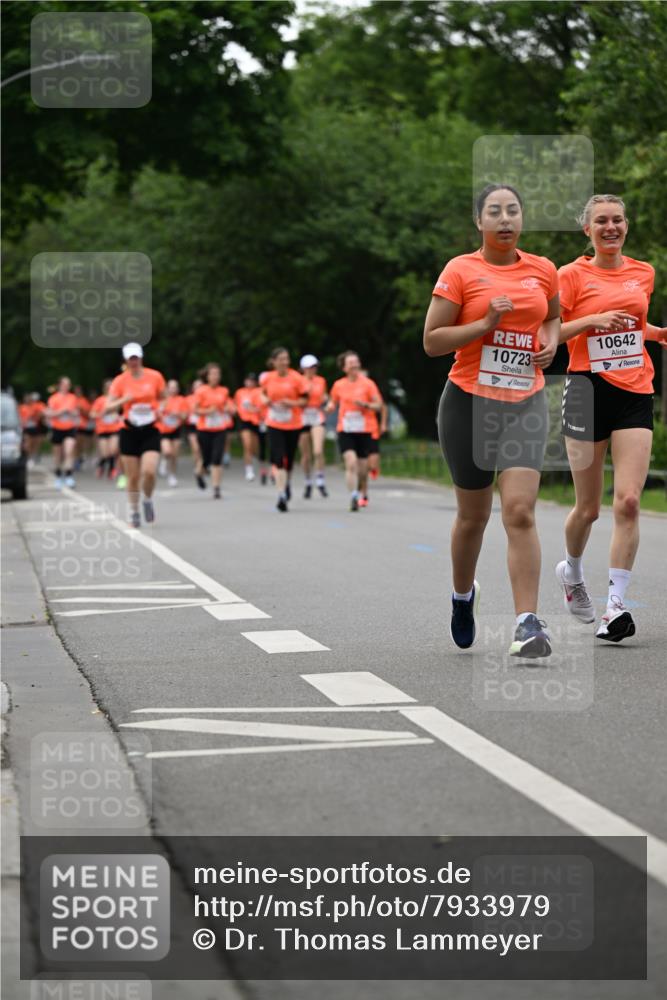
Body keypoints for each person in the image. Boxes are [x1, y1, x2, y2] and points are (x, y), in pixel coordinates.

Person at [423, 184, 559, 658]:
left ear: (522, 219)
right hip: (469, 403)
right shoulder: (461, 270)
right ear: (479, 222)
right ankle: (463, 597)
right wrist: (483, 326)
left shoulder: (542, 270)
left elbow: (552, 318)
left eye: (513, 211)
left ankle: (527, 623)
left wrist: (550, 341)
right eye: (495, 212)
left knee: (519, 510)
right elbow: (433, 341)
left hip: (525, 401)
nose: (505, 219)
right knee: (473, 516)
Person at [556, 193, 667, 642]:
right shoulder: (570, 275)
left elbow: (633, 324)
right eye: (601, 221)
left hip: (635, 391)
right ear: (588, 230)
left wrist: (657, 334)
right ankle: (573, 571)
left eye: (617, 220)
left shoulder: (644, 272)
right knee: (588, 508)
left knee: (629, 502)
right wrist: (589, 321)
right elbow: (547, 333)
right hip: (585, 392)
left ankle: (615, 607)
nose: (611, 227)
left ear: (626, 226)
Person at [104, 343, 166, 527]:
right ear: (125, 360)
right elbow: (108, 407)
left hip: (150, 428)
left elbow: (163, 397)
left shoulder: (155, 376)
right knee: (132, 477)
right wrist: (125, 399)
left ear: (141, 358)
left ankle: (147, 499)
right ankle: (134, 511)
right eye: (130, 358)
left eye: (136, 358)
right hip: (129, 430)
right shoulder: (120, 381)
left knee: (149, 471)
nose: (134, 362)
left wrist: (161, 408)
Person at [327, 351, 382, 512]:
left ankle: (363, 490)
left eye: (356, 362)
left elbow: (378, 405)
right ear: (344, 367)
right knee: (351, 463)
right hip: (346, 429)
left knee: (363, 469)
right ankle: (353, 495)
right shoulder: (338, 385)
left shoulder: (368, 384)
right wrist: (329, 407)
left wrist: (365, 405)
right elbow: (332, 402)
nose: (354, 365)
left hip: (364, 430)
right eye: (351, 363)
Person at [261, 347, 308, 511]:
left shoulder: (296, 378)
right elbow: (262, 394)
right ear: (273, 361)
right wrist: (266, 400)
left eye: (286, 359)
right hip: (274, 423)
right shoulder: (268, 378)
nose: (284, 362)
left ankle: (286, 483)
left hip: (293, 423)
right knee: (279, 459)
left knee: (289, 459)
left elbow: (304, 401)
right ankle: (281, 494)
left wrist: (291, 403)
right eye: (281, 359)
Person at [193, 362, 235, 500]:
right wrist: (207, 411)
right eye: (213, 374)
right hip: (204, 429)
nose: (216, 376)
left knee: (217, 458)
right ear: (207, 376)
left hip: (220, 429)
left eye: (218, 374)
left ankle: (216, 488)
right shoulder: (201, 391)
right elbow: (195, 410)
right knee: (206, 459)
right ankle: (199, 473)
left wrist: (230, 408)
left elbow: (229, 405)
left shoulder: (223, 391)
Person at [298, 354, 329, 499]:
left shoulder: (321, 381)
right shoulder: (298, 381)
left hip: (316, 415)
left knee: (318, 450)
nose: (312, 370)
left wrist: (326, 400)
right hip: (302, 417)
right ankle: (308, 481)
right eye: (309, 367)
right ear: (303, 368)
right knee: (306, 454)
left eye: (314, 367)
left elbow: (324, 396)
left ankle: (320, 480)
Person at [45, 376, 80, 489]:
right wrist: (61, 412)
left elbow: (76, 412)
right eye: (64, 384)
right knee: (58, 455)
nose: (66, 386)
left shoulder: (73, 398)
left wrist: (73, 413)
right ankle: (59, 476)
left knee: (69, 451)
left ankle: (69, 476)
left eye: (68, 384)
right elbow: (49, 414)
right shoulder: (53, 398)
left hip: (70, 428)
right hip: (57, 428)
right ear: (59, 385)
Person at [156, 379, 187, 487]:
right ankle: (163, 461)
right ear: (167, 389)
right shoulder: (162, 400)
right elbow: (156, 415)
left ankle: (172, 475)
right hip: (164, 430)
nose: (173, 389)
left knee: (174, 455)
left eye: (175, 387)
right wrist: (162, 411)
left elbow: (184, 417)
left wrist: (177, 414)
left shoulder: (181, 400)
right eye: (171, 387)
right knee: (167, 451)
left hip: (176, 430)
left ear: (178, 389)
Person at [90, 379, 123, 479]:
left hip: (114, 429)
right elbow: (92, 414)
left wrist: (118, 416)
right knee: (105, 453)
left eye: (111, 386)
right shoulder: (100, 400)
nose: (110, 388)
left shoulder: (118, 400)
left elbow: (123, 413)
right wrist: (101, 413)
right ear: (104, 388)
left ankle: (112, 469)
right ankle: (101, 465)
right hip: (103, 430)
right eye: (108, 386)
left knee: (113, 450)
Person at [234, 374, 262, 481]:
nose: (249, 383)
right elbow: (236, 404)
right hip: (244, 420)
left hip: (255, 420)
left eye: (252, 381)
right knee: (247, 444)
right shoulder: (240, 392)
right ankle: (249, 470)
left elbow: (260, 407)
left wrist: (254, 409)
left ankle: (254, 457)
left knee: (254, 446)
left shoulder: (259, 391)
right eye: (248, 380)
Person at [185, 378, 205, 488]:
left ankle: (200, 468)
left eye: (201, 386)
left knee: (204, 449)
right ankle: (198, 466)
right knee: (196, 448)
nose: (199, 388)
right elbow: (183, 412)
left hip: (204, 426)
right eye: (197, 386)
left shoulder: (206, 397)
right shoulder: (188, 399)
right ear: (193, 388)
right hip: (192, 426)